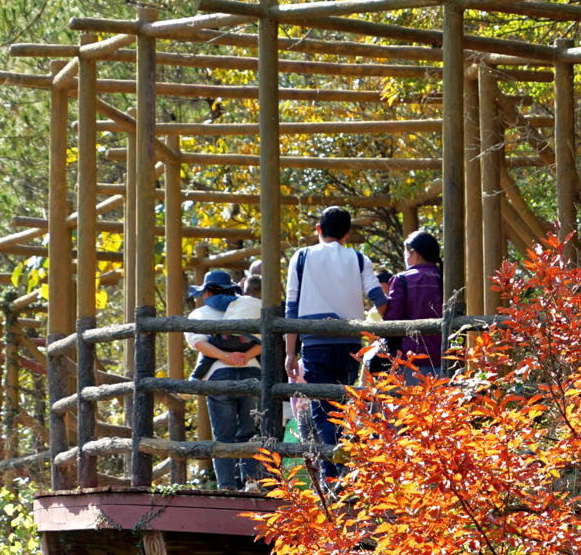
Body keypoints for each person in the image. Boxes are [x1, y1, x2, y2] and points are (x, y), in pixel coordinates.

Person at [285, 206, 388, 479]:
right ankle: (339, 474)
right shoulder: (359, 259)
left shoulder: (301, 256)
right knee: (342, 410)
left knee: (322, 411)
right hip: (349, 344)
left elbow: (291, 306)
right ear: (348, 233)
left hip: (314, 343)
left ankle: (334, 475)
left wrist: (290, 352)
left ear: (318, 229)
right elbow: (379, 298)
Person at [185, 269, 263, 490]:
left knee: (223, 436)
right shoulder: (249, 307)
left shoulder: (198, 314)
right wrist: (244, 356)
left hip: (218, 375)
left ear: (207, 291)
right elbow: (265, 340)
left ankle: (227, 486)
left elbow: (199, 343)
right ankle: (251, 480)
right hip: (252, 371)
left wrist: (225, 356)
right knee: (250, 431)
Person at [382, 230, 444, 378]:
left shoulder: (402, 280)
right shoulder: (446, 277)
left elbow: (391, 322)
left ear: (414, 253)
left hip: (411, 359)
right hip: (447, 358)